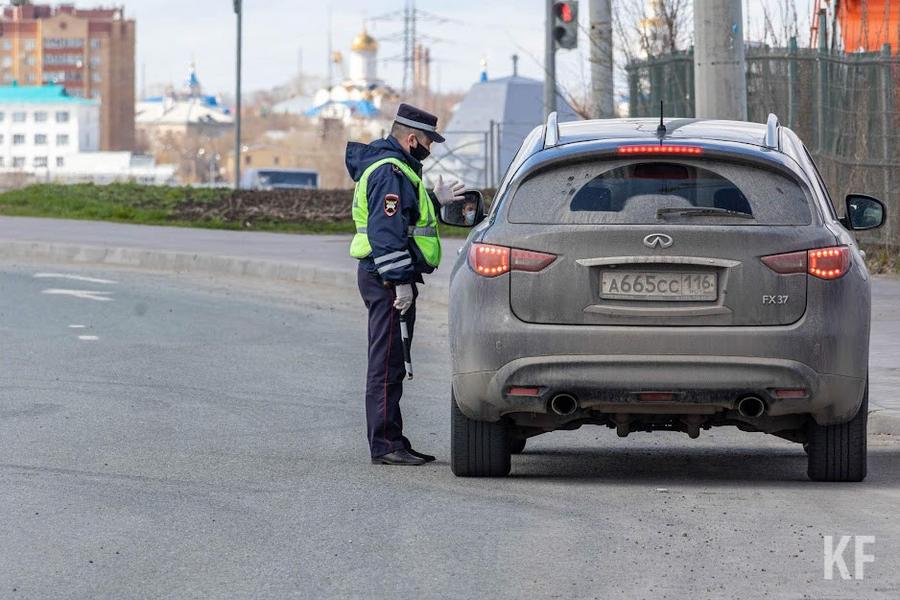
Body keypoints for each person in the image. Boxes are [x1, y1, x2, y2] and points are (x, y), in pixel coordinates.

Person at [346, 103, 466, 466]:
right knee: (386, 363)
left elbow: (400, 218)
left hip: (386, 275)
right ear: (412, 138)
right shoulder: (390, 172)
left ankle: (393, 438)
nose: (431, 148)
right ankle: (384, 444)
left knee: (393, 360)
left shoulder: (395, 170)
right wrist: (399, 282)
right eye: (429, 141)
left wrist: (433, 200)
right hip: (385, 277)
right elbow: (386, 233)